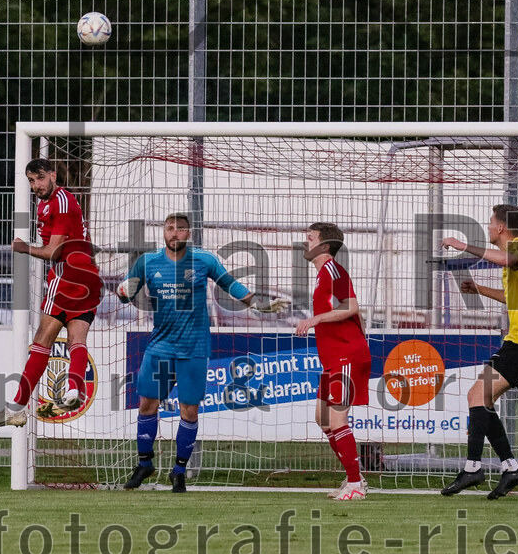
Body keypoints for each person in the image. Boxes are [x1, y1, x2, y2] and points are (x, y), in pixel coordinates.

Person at [118, 213, 288, 492]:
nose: (174, 233)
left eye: (180, 229)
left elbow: (230, 284)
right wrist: (123, 292)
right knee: (147, 404)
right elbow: (127, 291)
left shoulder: (204, 260)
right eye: (169, 228)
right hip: (160, 348)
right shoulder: (147, 262)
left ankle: (179, 472)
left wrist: (257, 304)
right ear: (163, 232)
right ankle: (144, 463)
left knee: (189, 410)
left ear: (189, 233)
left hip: (194, 349)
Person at [440, 204, 518, 499]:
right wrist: (479, 289)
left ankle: (473, 467)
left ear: (501, 227)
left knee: (477, 396)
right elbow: (513, 298)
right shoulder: (517, 257)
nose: (488, 227)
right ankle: (510, 467)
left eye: (490, 222)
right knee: (482, 399)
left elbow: (507, 258)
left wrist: (463, 245)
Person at [0, 158, 102, 428]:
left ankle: (16, 408)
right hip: (88, 278)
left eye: (40, 178)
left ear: (53, 176)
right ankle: (73, 391)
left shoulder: (60, 201)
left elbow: (53, 252)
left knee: (41, 341)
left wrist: (24, 248)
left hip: (68, 275)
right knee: (76, 339)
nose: (36, 185)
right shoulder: (48, 202)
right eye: (31, 181)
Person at [295, 222, 372, 501]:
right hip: (334, 357)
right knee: (323, 418)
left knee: (337, 418)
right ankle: (355, 478)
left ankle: (355, 485)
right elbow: (355, 314)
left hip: (346, 355)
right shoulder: (322, 275)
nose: (306, 242)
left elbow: (351, 306)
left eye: (310, 238)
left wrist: (315, 319)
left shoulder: (333, 270)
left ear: (324, 246)